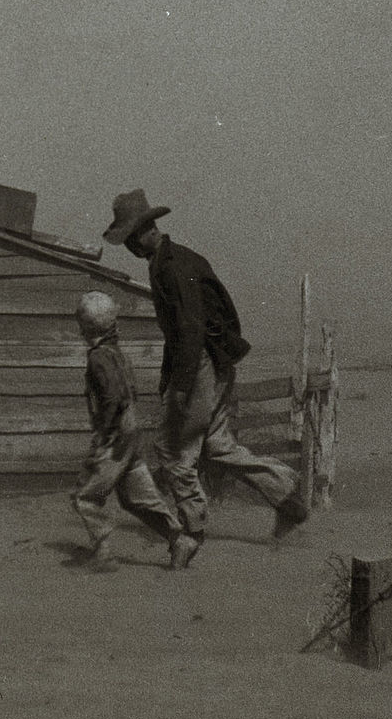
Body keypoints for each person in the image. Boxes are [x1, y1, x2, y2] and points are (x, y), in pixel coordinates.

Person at [101, 189, 310, 568]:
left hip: (200, 364)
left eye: (131, 237)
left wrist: (180, 388)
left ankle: (192, 533)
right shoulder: (175, 259)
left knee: (172, 450)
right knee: (217, 446)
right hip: (210, 363)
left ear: (147, 230)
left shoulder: (171, 267)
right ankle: (286, 495)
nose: (130, 247)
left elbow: (190, 329)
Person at [70, 290, 183, 565]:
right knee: (137, 497)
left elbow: (111, 398)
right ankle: (180, 540)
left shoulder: (98, 358)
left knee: (85, 496)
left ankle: (103, 551)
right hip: (132, 434)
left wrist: (103, 437)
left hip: (116, 435)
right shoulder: (118, 354)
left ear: (86, 326)